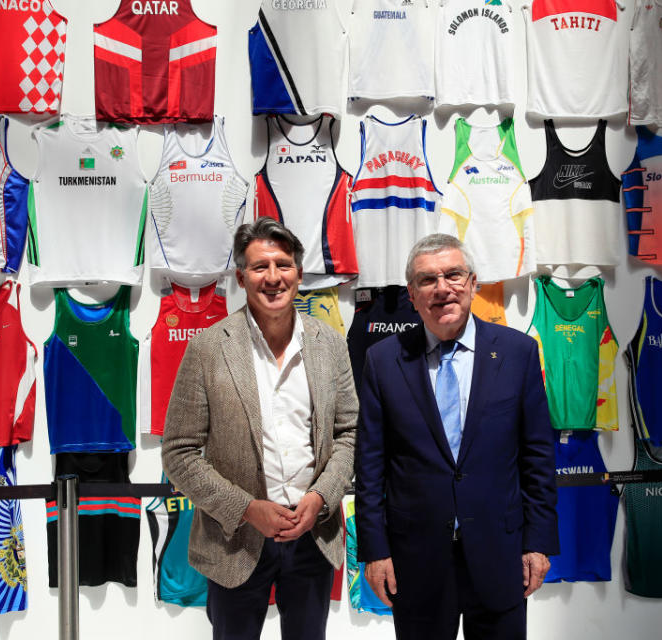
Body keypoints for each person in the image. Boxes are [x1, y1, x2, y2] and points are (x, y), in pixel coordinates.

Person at [161, 218, 358, 640]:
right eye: (259, 267)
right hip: (235, 540)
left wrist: (321, 496)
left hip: (313, 536)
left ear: (299, 274)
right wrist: (247, 509)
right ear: (240, 277)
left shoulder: (330, 343)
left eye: (283, 265)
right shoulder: (208, 347)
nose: (273, 277)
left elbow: (349, 434)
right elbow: (178, 452)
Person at [354, 234, 558, 640]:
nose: (442, 288)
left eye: (453, 275)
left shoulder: (518, 353)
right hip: (416, 559)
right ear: (411, 294)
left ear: (473, 283)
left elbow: (537, 455)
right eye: (427, 280)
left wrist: (538, 542)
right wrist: (375, 551)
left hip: (500, 555)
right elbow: (371, 464)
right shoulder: (382, 360)